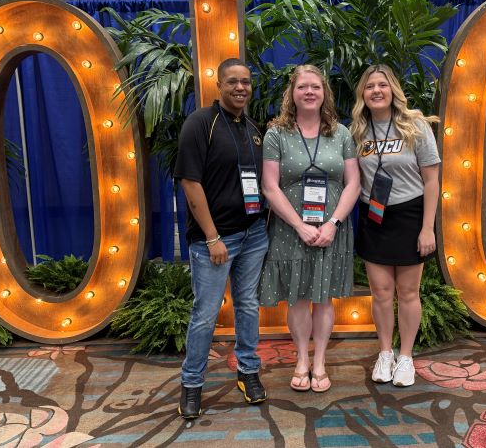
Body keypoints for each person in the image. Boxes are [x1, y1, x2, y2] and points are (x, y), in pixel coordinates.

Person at [173, 58, 269, 419]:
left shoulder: (253, 129)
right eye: (233, 82)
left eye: (245, 82)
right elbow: (189, 182)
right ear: (218, 85)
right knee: (206, 314)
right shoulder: (200, 123)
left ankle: (248, 372)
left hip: (254, 235)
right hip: (214, 241)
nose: (240, 88)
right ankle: (192, 383)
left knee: (247, 306)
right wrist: (213, 238)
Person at [260, 64, 361, 393]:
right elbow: (270, 186)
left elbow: (353, 184)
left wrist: (333, 223)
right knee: (299, 299)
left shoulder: (341, 133)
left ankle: (320, 362)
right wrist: (299, 225)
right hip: (291, 230)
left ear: (324, 93)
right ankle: (302, 358)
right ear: (292, 92)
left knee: (324, 299)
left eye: (315, 87)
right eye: (302, 87)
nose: (309, 92)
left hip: (332, 229)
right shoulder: (276, 133)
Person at [350, 63, 441, 387]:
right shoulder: (357, 132)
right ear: (363, 93)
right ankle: (385, 353)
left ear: (393, 91)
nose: (376, 90)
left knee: (407, 292)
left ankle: (406, 357)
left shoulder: (414, 125)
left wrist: (427, 228)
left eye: (382, 85)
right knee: (381, 292)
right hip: (374, 216)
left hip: (409, 215)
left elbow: (431, 181)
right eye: (370, 85)